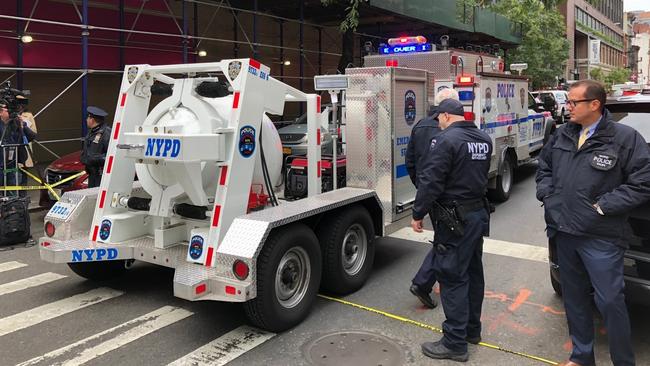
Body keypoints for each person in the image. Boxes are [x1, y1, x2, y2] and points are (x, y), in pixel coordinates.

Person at [536, 80, 650, 366]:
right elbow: (544, 168)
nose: (567, 107)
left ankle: (623, 362)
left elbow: (642, 182)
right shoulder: (562, 134)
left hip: (601, 236)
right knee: (574, 301)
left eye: (573, 102)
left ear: (595, 105)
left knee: (610, 302)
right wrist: (548, 196)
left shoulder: (624, 138)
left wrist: (605, 206)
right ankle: (581, 357)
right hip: (564, 232)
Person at [411, 99, 492, 362]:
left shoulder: (445, 140)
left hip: (454, 219)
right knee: (473, 272)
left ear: (446, 115)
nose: (438, 123)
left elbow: (431, 180)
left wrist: (418, 213)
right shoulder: (483, 138)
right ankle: (471, 331)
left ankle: (454, 343)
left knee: (452, 276)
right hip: (477, 214)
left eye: (439, 119)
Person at [407, 88, 460, 309]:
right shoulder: (451, 131)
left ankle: (428, 280)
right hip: (447, 196)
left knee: (444, 237)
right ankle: (423, 282)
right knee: (447, 241)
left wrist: (421, 189)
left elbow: (410, 161)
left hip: (428, 193)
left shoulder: (420, 126)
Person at [0, 100, 37, 196]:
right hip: (1, 163)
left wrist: (22, 126)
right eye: (7, 110)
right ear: (1, 112)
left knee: (13, 188)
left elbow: (32, 136)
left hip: (12, 164)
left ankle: (13, 206)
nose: (11, 113)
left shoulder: (16, 124)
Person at [81, 106, 111, 188]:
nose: (86, 120)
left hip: (101, 176)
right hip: (92, 174)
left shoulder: (106, 133)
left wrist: (94, 159)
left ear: (92, 119)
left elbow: (111, 155)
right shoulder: (92, 132)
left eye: (88, 117)